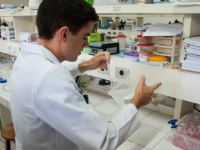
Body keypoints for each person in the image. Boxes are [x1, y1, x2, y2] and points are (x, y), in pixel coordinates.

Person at [10, 0, 161, 150]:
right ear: (64, 34)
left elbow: (48, 76)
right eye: (84, 37)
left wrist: (86, 65)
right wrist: (137, 102)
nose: (87, 44)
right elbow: (104, 140)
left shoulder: (28, 58)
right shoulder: (50, 78)